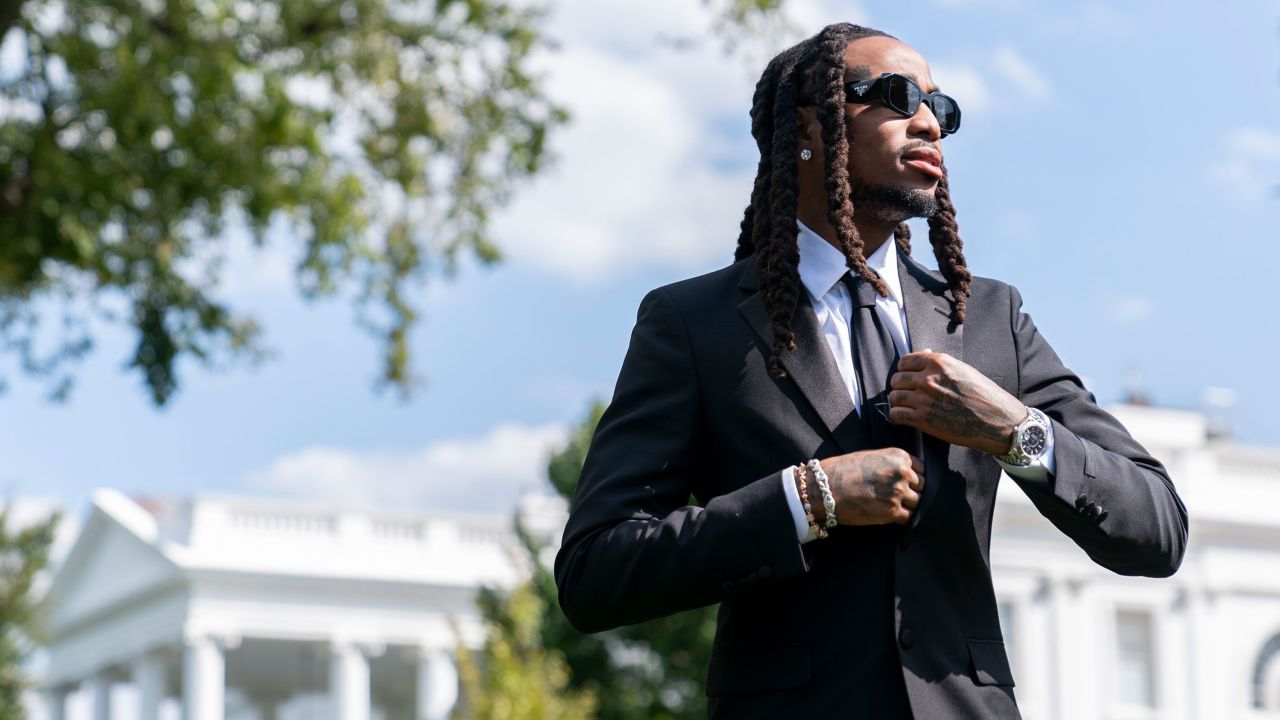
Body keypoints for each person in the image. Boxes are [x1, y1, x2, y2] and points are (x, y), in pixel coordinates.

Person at [553, 22, 1188, 719]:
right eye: (898, 95)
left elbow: (1156, 530)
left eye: (941, 109)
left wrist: (1015, 430)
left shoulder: (987, 319)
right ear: (811, 126)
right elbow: (596, 572)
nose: (930, 124)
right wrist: (807, 498)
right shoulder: (694, 325)